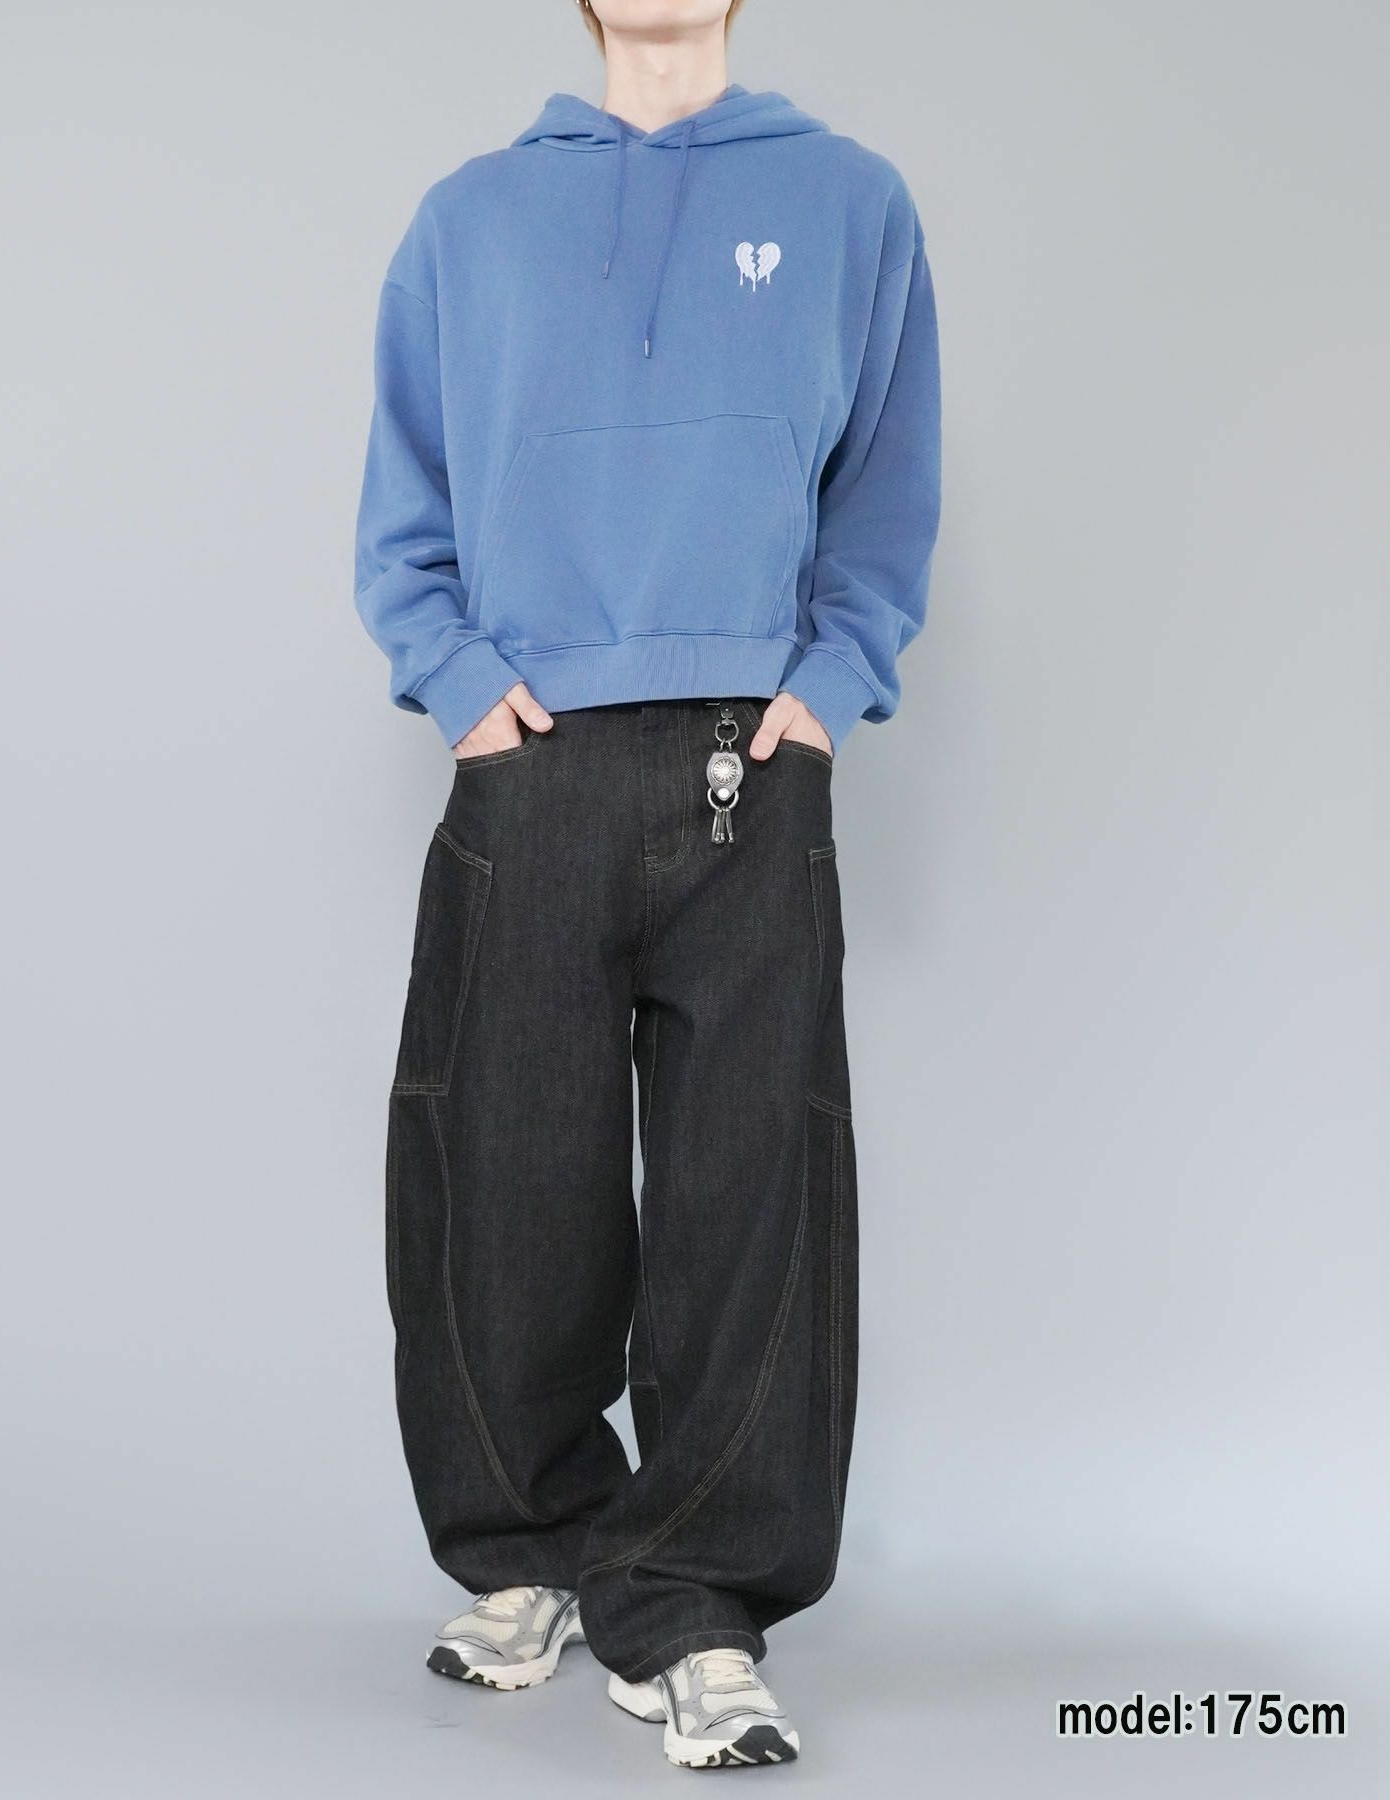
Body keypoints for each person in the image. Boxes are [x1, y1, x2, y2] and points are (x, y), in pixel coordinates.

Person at [353, 0, 939, 1769]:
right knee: (502, 1177)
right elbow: (405, 501)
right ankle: (530, 1546)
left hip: (752, 755)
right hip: (529, 751)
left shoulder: (850, 201)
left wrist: (827, 692)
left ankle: (693, 1605)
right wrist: (461, 688)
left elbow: (886, 486)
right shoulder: (468, 218)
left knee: (748, 1196)